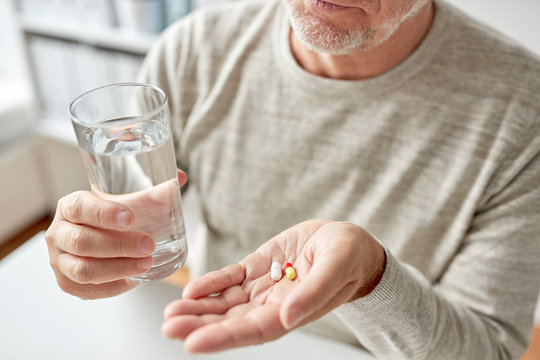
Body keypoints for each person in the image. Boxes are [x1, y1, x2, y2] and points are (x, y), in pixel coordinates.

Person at [45, 0, 540, 358]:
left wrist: (371, 278)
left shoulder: (523, 108)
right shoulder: (192, 53)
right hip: (213, 340)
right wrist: (98, 253)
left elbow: (488, 351)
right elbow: (139, 236)